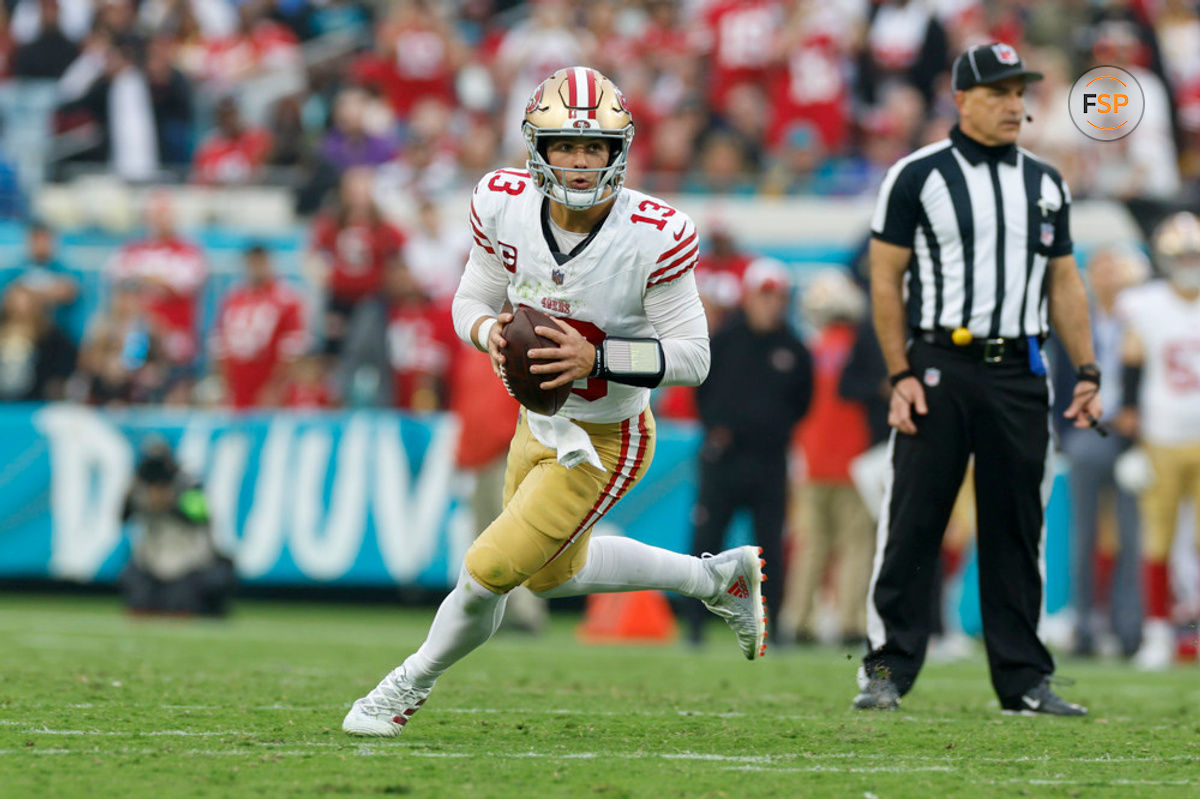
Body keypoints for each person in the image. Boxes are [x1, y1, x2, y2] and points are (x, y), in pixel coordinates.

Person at [342, 67, 766, 738]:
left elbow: (693, 355)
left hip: (607, 437)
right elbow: (470, 301)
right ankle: (717, 580)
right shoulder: (502, 202)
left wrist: (594, 357)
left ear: (617, 152)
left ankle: (402, 687)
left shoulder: (654, 234)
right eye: (566, 144)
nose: (578, 160)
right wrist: (495, 333)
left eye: (593, 147)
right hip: (537, 419)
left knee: (487, 569)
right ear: (537, 147)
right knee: (547, 578)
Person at [854, 43, 1099, 716]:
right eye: (998, 93)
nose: (1014, 105)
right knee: (914, 520)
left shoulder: (1046, 182)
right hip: (940, 363)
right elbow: (884, 277)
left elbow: (1064, 281)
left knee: (1017, 525)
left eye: (1020, 92)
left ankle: (1022, 678)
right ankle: (886, 670)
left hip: (1020, 367)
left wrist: (1087, 369)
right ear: (960, 101)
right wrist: (898, 372)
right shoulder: (917, 174)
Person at [688, 257, 813, 646]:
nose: (771, 304)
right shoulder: (724, 341)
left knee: (770, 547)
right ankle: (694, 625)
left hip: (769, 463)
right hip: (724, 460)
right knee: (708, 543)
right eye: (765, 296)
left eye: (778, 297)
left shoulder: (794, 348)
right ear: (750, 297)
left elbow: (802, 401)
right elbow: (700, 386)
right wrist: (717, 428)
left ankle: (771, 626)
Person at [1050, 248, 1147, 659]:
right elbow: (1056, 371)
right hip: (1088, 430)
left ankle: (1130, 629)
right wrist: (1063, 430)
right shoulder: (1075, 317)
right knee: (1084, 534)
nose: (1108, 276)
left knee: (1131, 534)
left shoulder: (1141, 316)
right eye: (1101, 269)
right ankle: (1084, 625)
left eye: (1115, 267)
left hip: (1131, 434)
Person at [1117, 212, 1200, 670]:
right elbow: (1132, 362)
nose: (1189, 261)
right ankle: (1156, 632)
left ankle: (1191, 632)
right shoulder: (1145, 304)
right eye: (1181, 254)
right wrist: (1131, 434)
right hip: (1162, 435)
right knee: (1158, 538)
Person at [782, 269, 871, 648]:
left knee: (811, 544)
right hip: (855, 460)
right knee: (856, 544)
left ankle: (798, 619)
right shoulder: (862, 350)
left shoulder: (811, 350)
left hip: (813, 460)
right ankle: (852, 621)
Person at [119, 441, 234, 617]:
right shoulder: (139, 487)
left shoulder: (187, 485)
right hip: (153, 561)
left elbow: (202, 517)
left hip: (188, 562)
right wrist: (133, 493)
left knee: (181, 606)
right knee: (139, 602)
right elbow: (122, 517)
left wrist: (174, 503)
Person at [210, 244, 307, 410]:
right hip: (238, 382)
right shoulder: (233, 298)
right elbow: (220, 343)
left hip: (268, 383)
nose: (256, 268)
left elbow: (292, 350)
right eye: (252, 263)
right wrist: (225, 383)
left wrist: (275, 387)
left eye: (260, 263)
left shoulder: (286, 299)